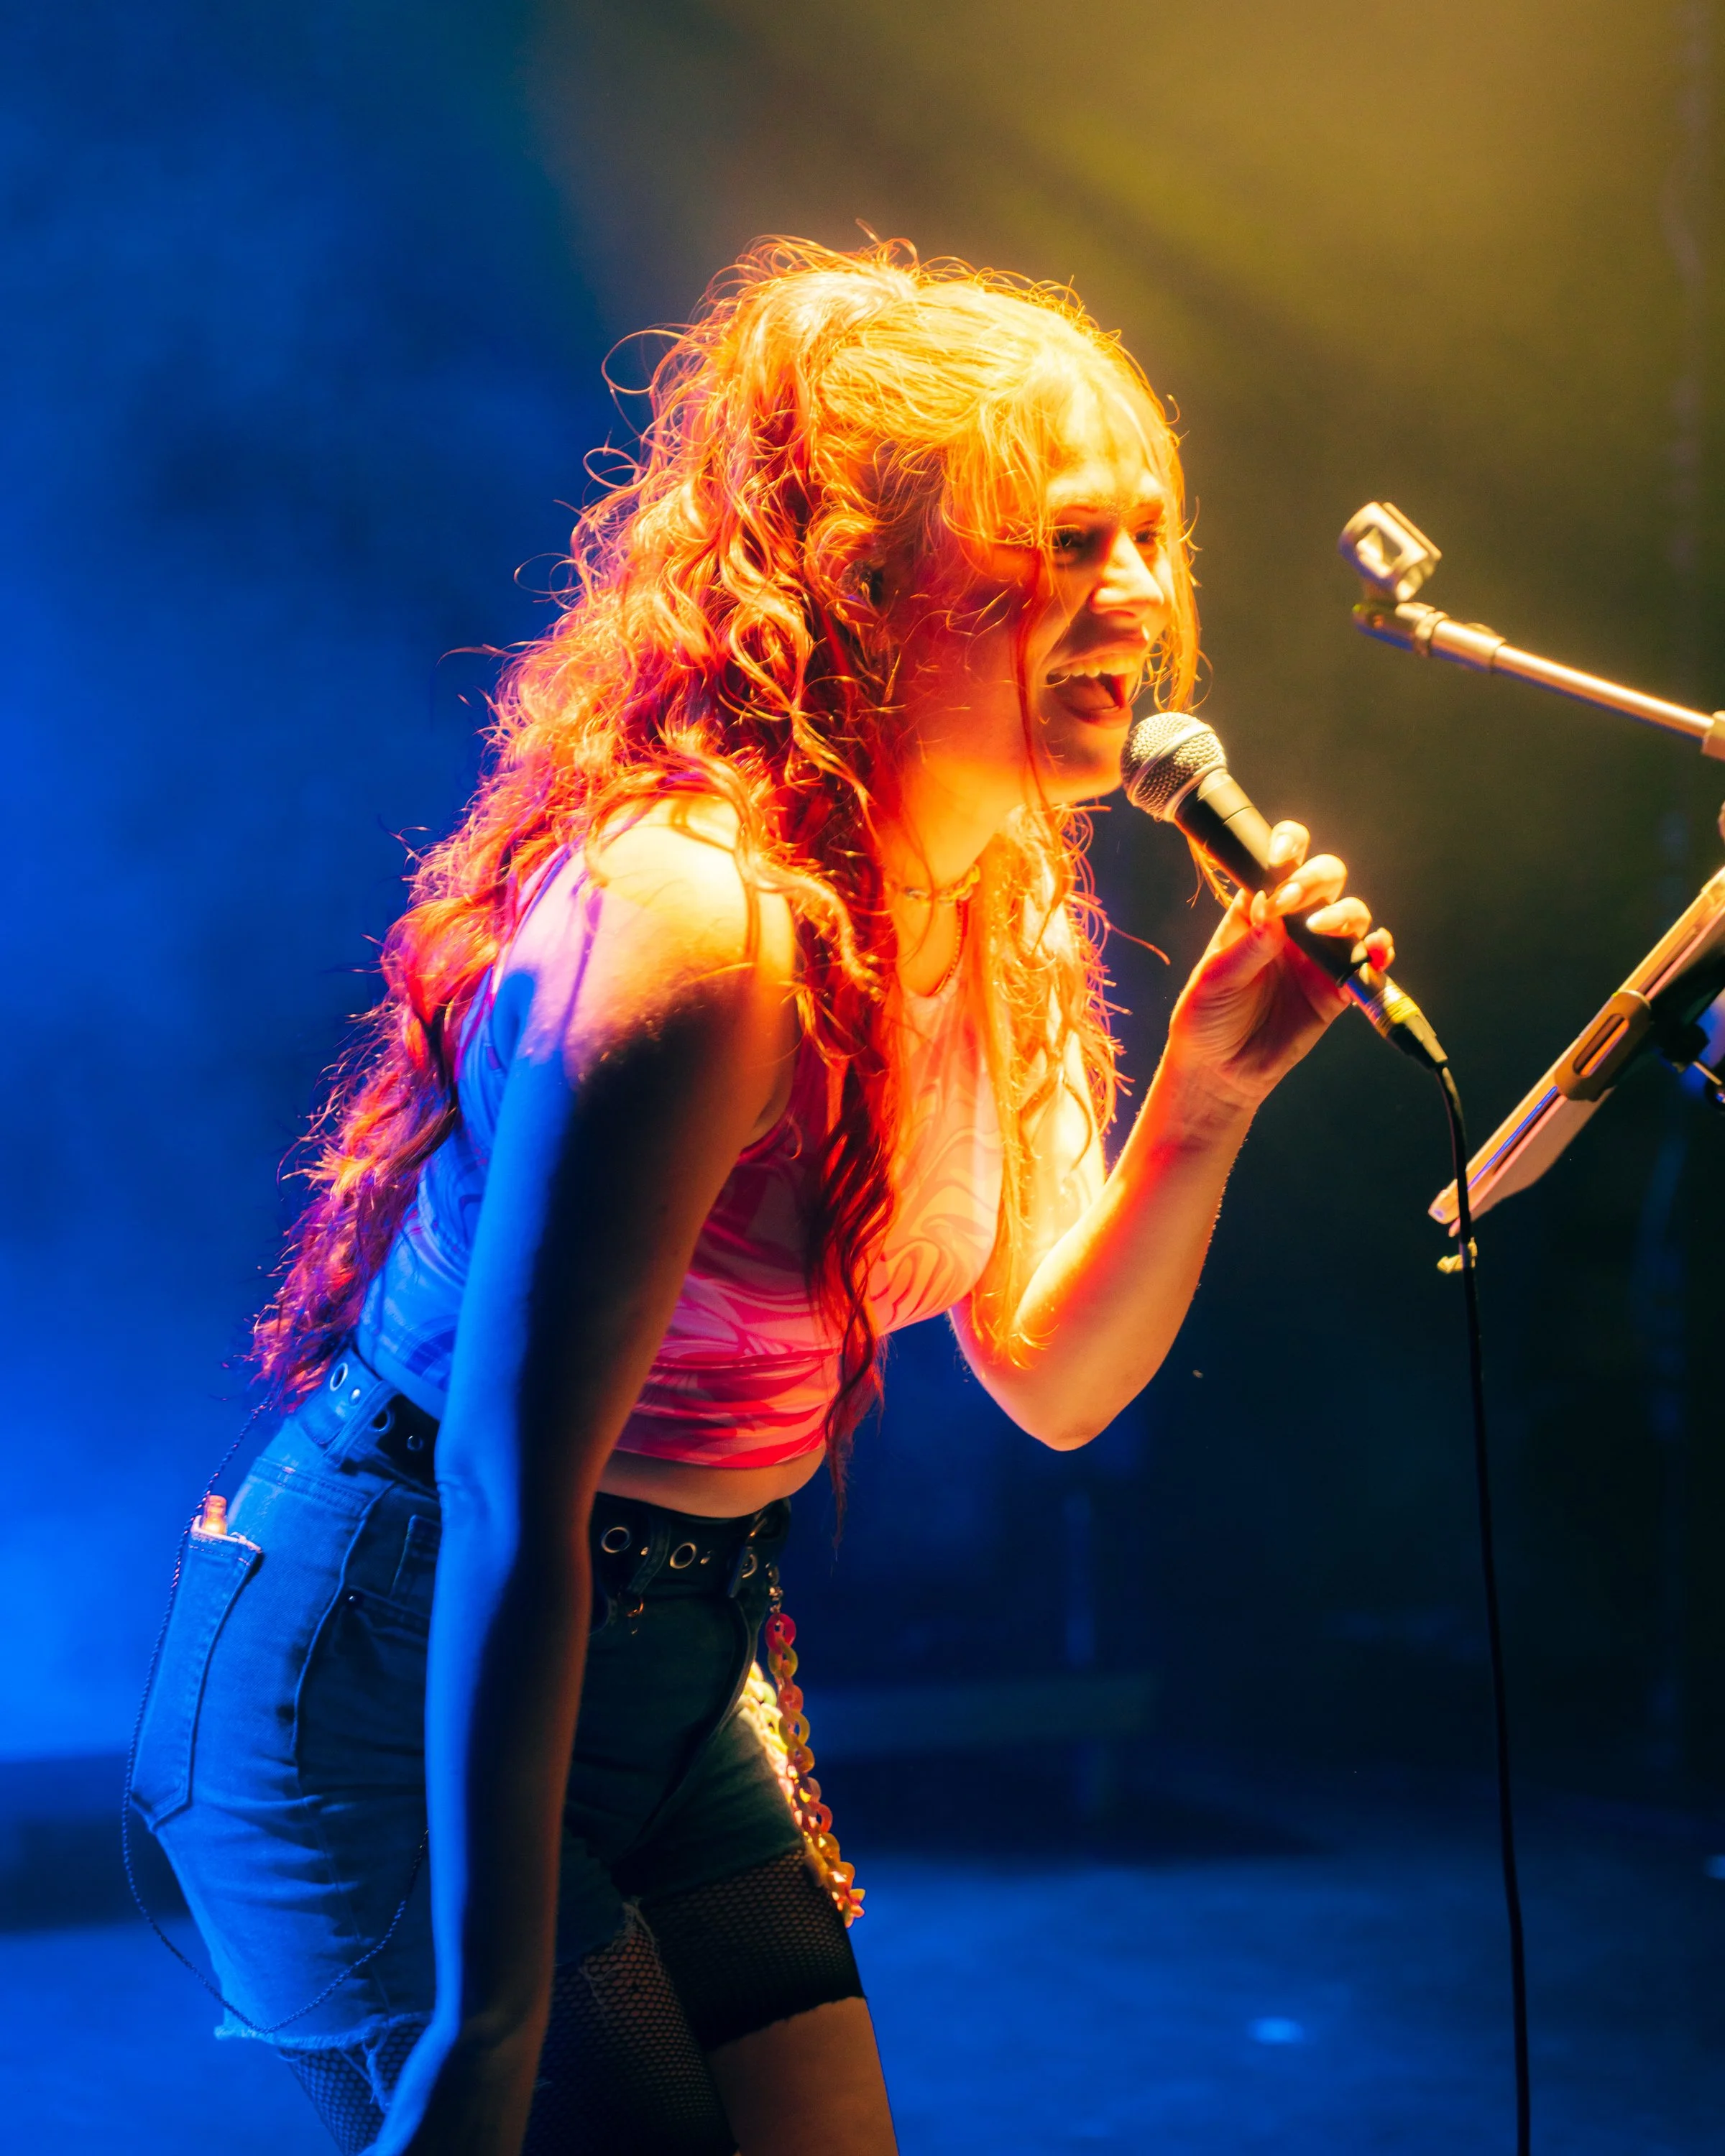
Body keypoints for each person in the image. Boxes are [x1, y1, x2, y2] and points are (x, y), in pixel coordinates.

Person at [129, 238, 1393, 2156]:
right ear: (866, 582)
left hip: (675, 1651)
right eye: (1062, 541)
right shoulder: (698, 926)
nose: (1131, 590)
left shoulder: (1014, 895)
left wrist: (1208, 1101)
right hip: (405, 1663)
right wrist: (484, 2025)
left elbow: (1052, 1378)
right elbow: (505, 1489)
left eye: (1151, 535)